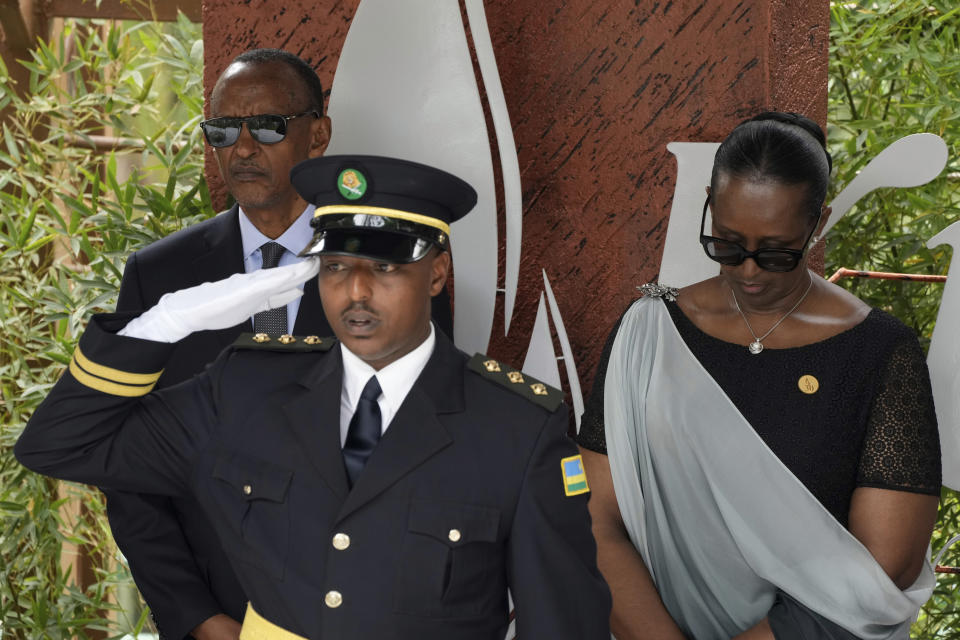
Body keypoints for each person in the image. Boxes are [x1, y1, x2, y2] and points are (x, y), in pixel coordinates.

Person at [15, 155, 612, 639]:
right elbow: (60, 446)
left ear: (436, 274)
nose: (355, 291)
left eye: (383, 268)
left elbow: (562, 624)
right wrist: (160, 325)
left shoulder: (516, 426)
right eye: (334, 265)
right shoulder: (246, 388)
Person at [107, 48, 454, 640]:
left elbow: (428, 444)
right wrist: (200, 619)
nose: (241, 148)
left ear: (318, 133)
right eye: (222, 129)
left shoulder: (392, 263)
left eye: (266, 126)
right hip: (216, 616)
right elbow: (130, 469)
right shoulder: (159, 277)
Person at [577, 112, 941, 639]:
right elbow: (597, 518)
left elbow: (887, 567)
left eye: (775, 252)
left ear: (818, 222)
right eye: (727, 243)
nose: (747, 271)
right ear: (709, 202)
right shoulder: (648, 335)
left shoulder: (881, 356)